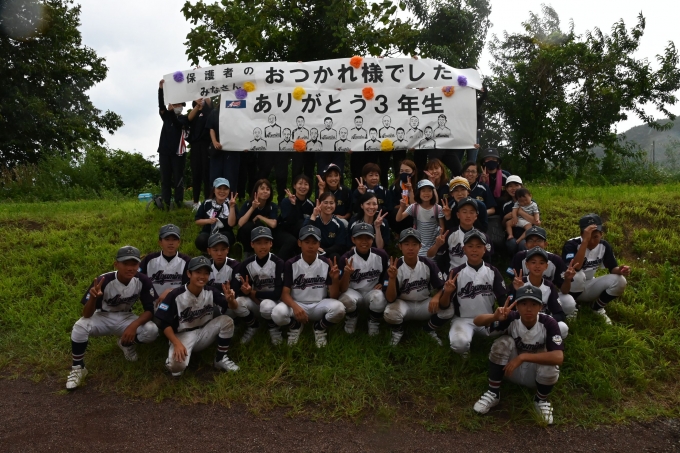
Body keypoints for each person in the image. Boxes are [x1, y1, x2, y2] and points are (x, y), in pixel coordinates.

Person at [66, 246, 158, 389]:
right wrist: (93, 298)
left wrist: (134, 326)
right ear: (116, 264)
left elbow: (150, 310)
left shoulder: (142, 280)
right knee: (80, 326)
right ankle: (78, 367)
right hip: (102, 316)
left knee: (152, 330)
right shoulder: (104, 280)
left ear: (138, 265)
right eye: (125, 263)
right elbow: (86, 314)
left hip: (126, 316)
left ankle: (125, 344)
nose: (130, 268)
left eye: (133, 264)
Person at [472, 285, 564, 425]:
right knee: (503, 342)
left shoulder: (548, 322)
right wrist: (494, 317)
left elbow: (558, 357)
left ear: (540, 307)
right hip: (510, 369)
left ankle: (541, 400)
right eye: (524, 304)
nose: (528, 308)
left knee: (549, 359)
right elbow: (477, 321)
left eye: (533, 304)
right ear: (517, 306)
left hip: (536, 374)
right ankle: (493, 392)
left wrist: (523, 357)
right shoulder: (511, 317)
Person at [156, 256, 240, 376]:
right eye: (198, 272)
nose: (202, 276)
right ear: (189, 274)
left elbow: (233, 307)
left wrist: (231, 300)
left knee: (227, 320)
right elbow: (163, 322)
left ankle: (220, 358)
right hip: (183, 335)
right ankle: (175, 356)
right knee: (176, 368)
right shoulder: (175, 295)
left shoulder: (211, 291)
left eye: (206, 273)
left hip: (204, 331)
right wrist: (176, 343)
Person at [433, 229, 506, 358]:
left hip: (488, 319)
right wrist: (447, 293)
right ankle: (465, 353)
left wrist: (500, 316)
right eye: (470, 246)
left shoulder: (493, 271)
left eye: (478, 246)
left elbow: (502, 299)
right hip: (463, 320)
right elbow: (444, 305)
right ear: (464, 249)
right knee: (458, 344)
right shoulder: (456, 273)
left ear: (484, 250)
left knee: (513, 326)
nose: (474, 250)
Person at [270, 226, 345, 347]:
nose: (311, 246)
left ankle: (319, 327)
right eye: (307, 242)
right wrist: (295, 307)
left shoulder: (326, 263)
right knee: (277, 314)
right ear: (299, 243)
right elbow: (284, 293)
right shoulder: (291, 263)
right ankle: (296, 326)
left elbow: (334, 296)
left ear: (319, 244)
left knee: (339, 308)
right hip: (298, 304)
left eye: (314, 242)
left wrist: (335, 279)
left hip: (319, 304)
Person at [383, 228, 453, 346]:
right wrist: (392, 278)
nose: (410, 248)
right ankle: (398, 331)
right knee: (389, 313)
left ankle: (428, 329)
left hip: (424, 303)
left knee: (449, 308)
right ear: (400, 246)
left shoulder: (427, 263)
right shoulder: (395, 266)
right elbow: (390, 298)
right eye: (406, 244)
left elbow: (442, 287)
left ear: (420, 246)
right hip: (403, 304)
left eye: (414, 244)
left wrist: (436, 297)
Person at [562, 214, 630, 324]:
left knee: (620, 280)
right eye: (589, 236)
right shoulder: (571, 244)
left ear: (601, 234)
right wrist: (584, 242)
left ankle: (597, 308)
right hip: (569, 288)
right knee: (578, 275)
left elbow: (613, 268)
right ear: (582, 234)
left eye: (596, 237)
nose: (592, 241)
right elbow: (576, 267)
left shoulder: (604, 246)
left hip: (588, 284)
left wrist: (620, 270)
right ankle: (571, 307)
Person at [508, 226, 578, 319]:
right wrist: (518, 290)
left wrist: (567, 280)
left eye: (539, 240)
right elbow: (513, 285)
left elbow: (564, 290)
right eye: (531, 240)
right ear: (526, 244)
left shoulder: (555, 260)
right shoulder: (519, 257)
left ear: (545, 244)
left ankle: (549, 316)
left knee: (569, 302)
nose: (535, 244)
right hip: (525, 294)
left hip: (548, 294)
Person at [233, 227, 285, 344]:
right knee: (238, 302)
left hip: (274, 303)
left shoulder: (278, 262)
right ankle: (253, 325)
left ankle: (273, 327)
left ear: (271, 243)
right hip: (256, 301)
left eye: (266, 242)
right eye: (258, 243)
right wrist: (246, 291)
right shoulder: (246, 264)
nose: (263, 246)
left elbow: (277, 294)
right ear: (252, 244)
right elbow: (240, 289)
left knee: (266, 306)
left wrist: (253, 292)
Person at [338, 223, 389, 335]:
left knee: (380, 298)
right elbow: (341, 288)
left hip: (372, 291)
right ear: (353, 239)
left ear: (373, 239)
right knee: (345, 299)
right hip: (353, 292)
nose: (364, 241)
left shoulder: (381, 255)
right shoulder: (346, 258)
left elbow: (387, 272)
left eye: (368, 238)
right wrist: (347, 274)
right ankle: (352, 317)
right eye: (360, 238)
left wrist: (383, 283)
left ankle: (373, 320)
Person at [510, 247, 569, 339]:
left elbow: (559, 314)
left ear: (546, 266)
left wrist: (544, 320)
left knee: (563, 327)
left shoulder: (549, 286)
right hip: (522, 323)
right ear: (527, 265)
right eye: (533, 262)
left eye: (541, 263)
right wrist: (519, 291)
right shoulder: (519, 282)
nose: (537, 266)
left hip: (541, 324)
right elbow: (508, 310)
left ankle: (545, 342)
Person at [237, 179, 296, 261]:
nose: (265, 191)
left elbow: (273, 224)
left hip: (268, 234)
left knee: (290, 240)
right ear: (256, 191)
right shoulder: (248, 204)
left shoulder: (272, 206)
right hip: (250, 235)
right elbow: (240, 223)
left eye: (268, 189)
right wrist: (252, 208)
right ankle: (248, 253)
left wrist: (260, 216)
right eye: (262, 189)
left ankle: (277, 261)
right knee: (248, 227)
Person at [139, 224, 191, 308]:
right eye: (167, 239)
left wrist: (170, 291)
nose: (171, 243)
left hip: (178, 303)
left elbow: (189, 286)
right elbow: (137, 279)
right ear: (160, 242)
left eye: (174, 239)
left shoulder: (186, 261)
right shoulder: (149, 260)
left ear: (179, 242)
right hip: (154, 303)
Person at [157, 79, 187, 210]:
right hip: (164, 152)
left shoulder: (184, 118)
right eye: (174, 104)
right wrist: (161, 89)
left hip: (178, 154)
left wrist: (172, 113)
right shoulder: (166, 117)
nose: (176, 106)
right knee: (165, 179)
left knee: (178, 179)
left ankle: (179, 203)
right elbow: (161, 106)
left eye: (179, 104)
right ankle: (166, 203)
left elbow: (178, 125)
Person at [396, 179, 445, 258]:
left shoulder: (438, 208)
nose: (426, 193)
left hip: (434, 246)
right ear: (419, 193)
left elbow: (442, 227)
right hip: (418, 246)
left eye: (429, 191)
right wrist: (402, 207)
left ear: (433, 193)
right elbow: (399, 218)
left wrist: (439, 239)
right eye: (423, 191)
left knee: (432, 265)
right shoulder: (414, 207)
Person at [445, 197, 492, 272]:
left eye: (471, 212)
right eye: (464, 212)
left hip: (477, 275)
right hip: (454, 274)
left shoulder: (483, 236)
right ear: (458, 215)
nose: (468, 216)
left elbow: (487, 260)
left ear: (476, 216)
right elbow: (442, 259)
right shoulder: (449, 234)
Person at [194, 178, 237, 253]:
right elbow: (197, 221)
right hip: (208, 232)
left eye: (225, 189)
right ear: (214, 190)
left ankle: (223, 252)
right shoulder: (206, 203)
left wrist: (232, 207)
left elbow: (231, 224)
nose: (222, 191)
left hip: (225, 233)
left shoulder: (231, 203)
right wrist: (208, 221)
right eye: (219, 188)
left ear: (229, 191)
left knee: (224, 238)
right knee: (201, 240)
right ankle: (208, 252)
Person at [303, 192, 348, 262]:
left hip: (328, 253)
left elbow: (340, 245)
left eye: (331, 203)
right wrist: (314, 216)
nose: (329, 206)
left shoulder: (339, 224)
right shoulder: (311, 218)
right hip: (312, 251)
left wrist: (324, 250)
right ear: (320, 203)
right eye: (325, 203)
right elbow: (305, 237)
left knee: (335, 256)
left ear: (335, 204)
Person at [186, 97, 213, 210]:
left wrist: (205, 94)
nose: (200, 99)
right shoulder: (194, 111)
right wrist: (197, 106)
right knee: (196, 174)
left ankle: (208, 201)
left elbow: (209, 101)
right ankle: (196, 202)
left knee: (207, 174)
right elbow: (189, 119)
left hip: (207, 145)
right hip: (195, 146)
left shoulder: (209, 112)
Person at [207, 105, 241, 196]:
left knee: (231, 177)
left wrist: (244, 145)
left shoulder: (238, 112)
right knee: (215, 176)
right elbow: (211, 128)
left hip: (233, 150)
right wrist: (214, 141)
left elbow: (243, 129)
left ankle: (231, 201)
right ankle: (213, 200)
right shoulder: (215, 112)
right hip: (217, 150)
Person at [385, 159, 416, 236]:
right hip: (398, 211)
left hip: (412, 212)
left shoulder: (418, 186)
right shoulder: (394, 186)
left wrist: (411, 190)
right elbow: (391, 204)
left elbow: (414, 205)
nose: (404, 173)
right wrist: (402, 206)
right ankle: (397, 234)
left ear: (413, 172)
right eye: (402, 171)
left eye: (407, 171)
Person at [501, 175, 526, 255]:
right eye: (510, 186)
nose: (513, 188)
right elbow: (503, 226)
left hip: (527, 234)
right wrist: (505, 218)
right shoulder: (506, 205)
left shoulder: (530, 203)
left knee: (523, 244)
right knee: (511, 243)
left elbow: (536, 222)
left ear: (521, 187)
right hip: (512, 235)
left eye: (516, 185)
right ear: (506, 189)